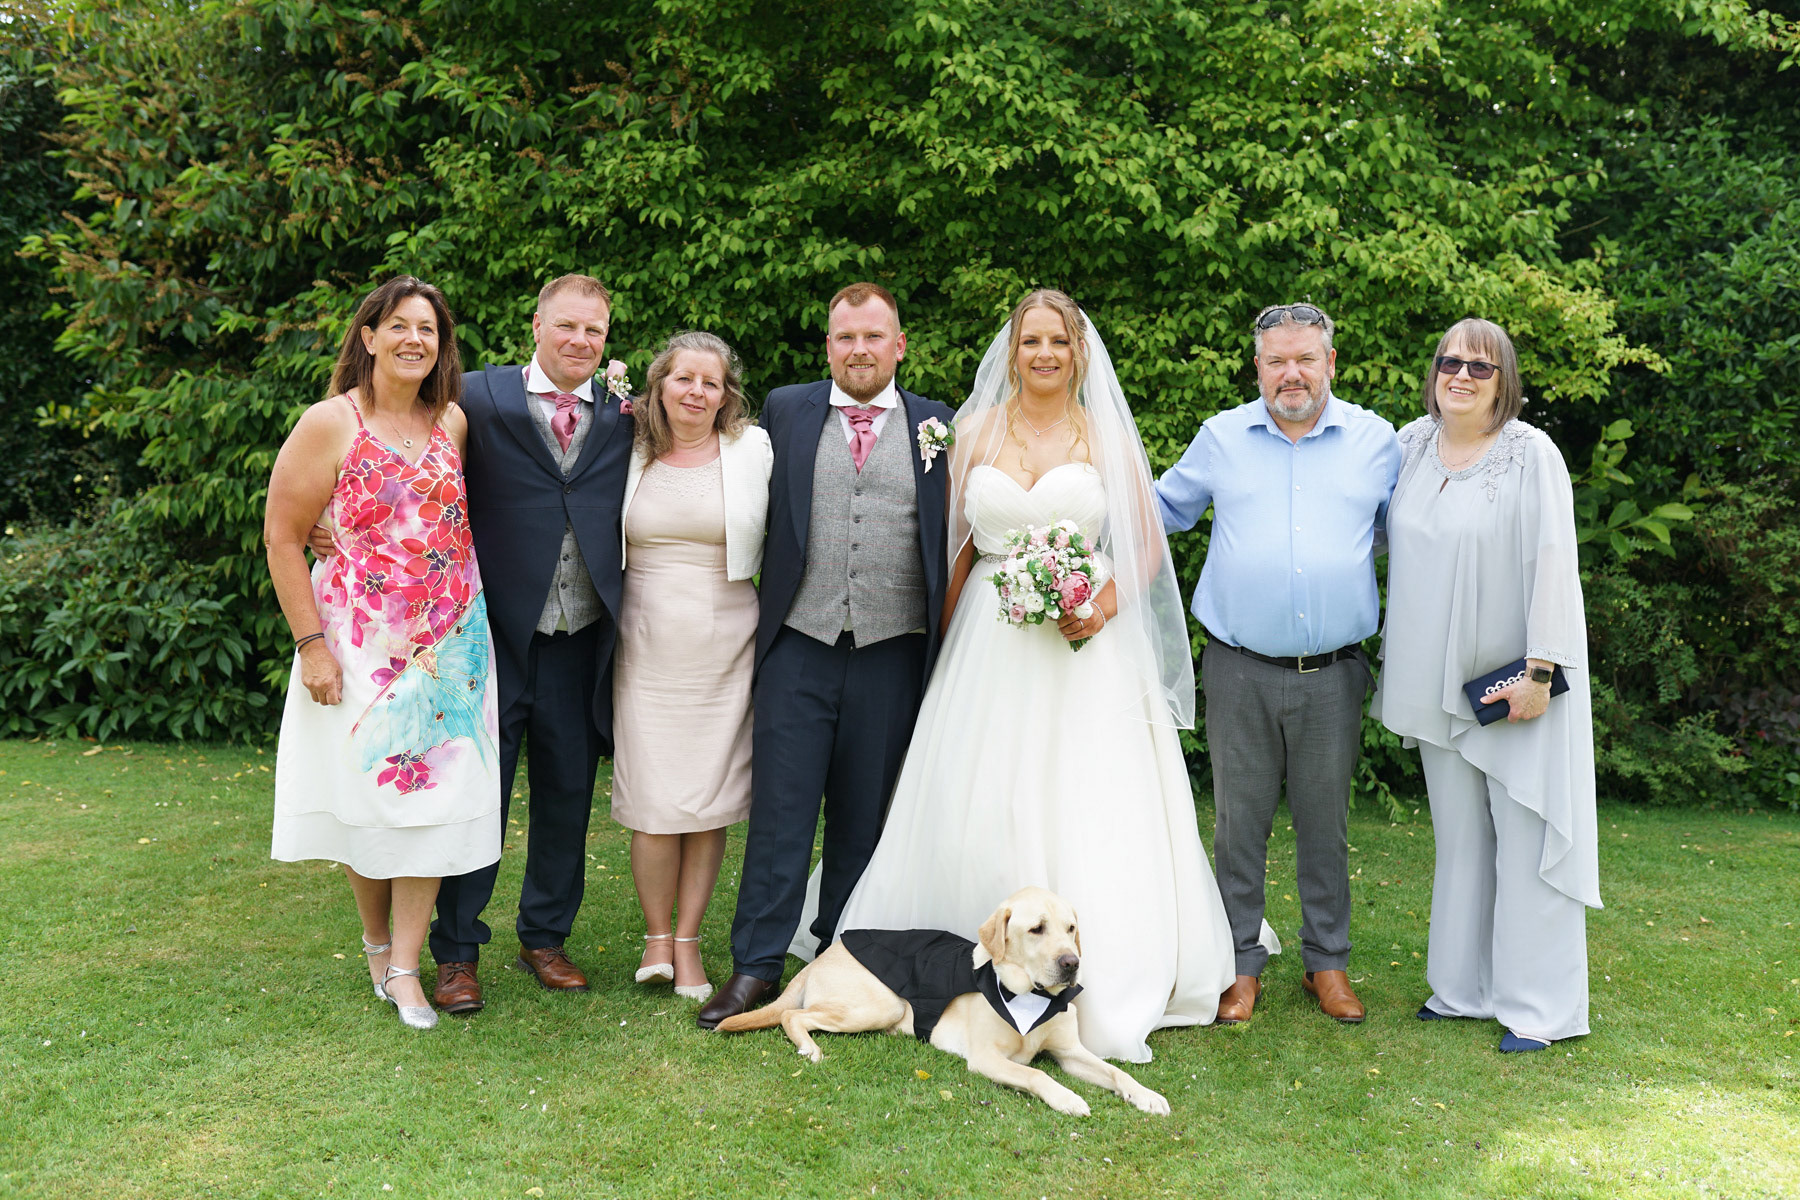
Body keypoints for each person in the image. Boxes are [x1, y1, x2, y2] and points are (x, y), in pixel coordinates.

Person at [829, 289, 1238, 1063]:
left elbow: (1147, 544)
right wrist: (938, 647)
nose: (1044, 353)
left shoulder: (1106, 436)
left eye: (1058, 341)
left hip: (1086, 648)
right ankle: (971, 953)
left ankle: (1100, 966)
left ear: (1078, 353)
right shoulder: (974, 431)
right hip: (988, 640)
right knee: (979, 782)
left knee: (1090, 788)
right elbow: (954, 549)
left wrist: (1101, 607)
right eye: (1030, 341)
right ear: (1012, 352)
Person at [696, 283, 956, 1030]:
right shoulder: (786, 410)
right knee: (780, 813)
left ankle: (841, 956)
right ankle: (755, 965)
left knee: (862, 819)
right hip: (799, 645)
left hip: (893, 649)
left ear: (899, 345)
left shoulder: (939, 423)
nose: (859, 350)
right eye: (846, 337)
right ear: (829, 345)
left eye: (874, 337)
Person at [1156, 302, 1401, 1026]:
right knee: (1239, 824)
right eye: (1276, 361)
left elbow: (1402, 532)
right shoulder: (1221, 438)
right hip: (1239, 667)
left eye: (1305, 359)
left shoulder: (1377, 442)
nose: (1291, 373)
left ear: (1331, 363)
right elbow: (1159, 511)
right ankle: (1238, 965)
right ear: (1257, 367)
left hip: (1333, 672)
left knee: (1326, 824)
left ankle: (1327, 963)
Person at [267, 275, 500, 1032]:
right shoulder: (330, 422)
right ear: (368, 337)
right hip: (358, 646)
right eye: (399, 325)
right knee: (369, 803)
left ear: (441, 345)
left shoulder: (452, 420)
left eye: (427, 329)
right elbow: (282, 536)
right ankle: (376, 942)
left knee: (432, 806)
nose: (413, 340)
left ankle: (405, 967)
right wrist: (312, 647)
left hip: (450, 648)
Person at [1369, 318, 1600, 1053]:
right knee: (1461, 840)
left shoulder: (1533, 454)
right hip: (1435, 683)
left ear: (1505, 381)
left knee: (1525, 841)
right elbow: (1368, 534)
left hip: (1512, 686)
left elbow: (1555, 561)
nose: (1461, 376)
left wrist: (1542, 671)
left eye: (1480, 366)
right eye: (1450, 362)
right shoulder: (1409, 445)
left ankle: (1539, 1009)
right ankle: (1462, 989)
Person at [424, 274, 634, 1012]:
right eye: (567, 325)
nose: (580, 340)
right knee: (477, 796)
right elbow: (404, 456)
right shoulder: (477, 397)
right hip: (492, 638)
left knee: (567, 796)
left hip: (582, 639)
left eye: (594, 330)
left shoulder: (625, 412)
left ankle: (544, 936)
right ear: (537, 325)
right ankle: (456, 951)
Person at [613, 331, 772, 1004]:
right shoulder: (626, 446)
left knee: (709, 801)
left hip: (725, 640)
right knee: (653, 799)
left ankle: (688, 941)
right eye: (684, 379)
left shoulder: (753, 449)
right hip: (644, 641)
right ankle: (656, 937)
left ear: (726, 394)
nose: (696, 392)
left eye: (711, 382)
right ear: (660, 385)